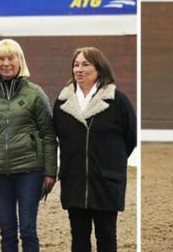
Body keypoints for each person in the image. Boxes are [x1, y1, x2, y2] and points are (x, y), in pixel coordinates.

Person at [0, 39, 58, 252]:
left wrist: (50, 172)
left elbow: (48, 135)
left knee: (28, 229)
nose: (6, 63)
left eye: (11, 58)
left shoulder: (35, 94)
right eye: (1, 58)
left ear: (20, 61)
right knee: (7, 231)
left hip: (30, 171)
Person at [53, 47, 137, 252]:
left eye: (85, 64)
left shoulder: (117, 101)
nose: (79, 69)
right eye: (76, 64)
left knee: (107, 236)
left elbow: (130, 138)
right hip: (74, 181)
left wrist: (108, 162)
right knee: (78, 238)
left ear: (99, 68)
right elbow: (57, 136)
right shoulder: (63, 102)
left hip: (106, 181)